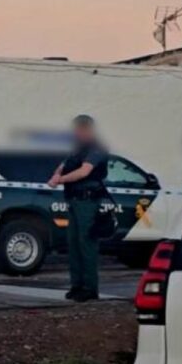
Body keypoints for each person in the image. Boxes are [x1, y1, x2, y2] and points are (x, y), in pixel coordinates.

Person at [48, 115, 109, 302]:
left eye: (79, 130)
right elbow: (64, 165)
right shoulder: (76, 148)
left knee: (86, 244)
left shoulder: (97, 148)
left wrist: (60, 180)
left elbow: (85, 171)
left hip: (87, 202)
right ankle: (77, 285)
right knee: (73, 244)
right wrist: (57, 174)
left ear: (88, 129)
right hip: (74, 200)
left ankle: (90, 288)